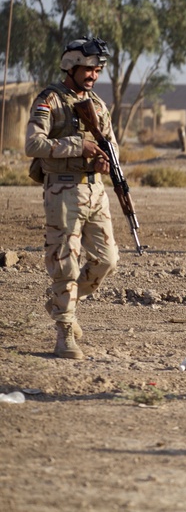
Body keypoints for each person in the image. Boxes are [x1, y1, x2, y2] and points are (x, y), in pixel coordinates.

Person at [24, 37, 120, 359]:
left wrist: (105, 161)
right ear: (71, 66)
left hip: (94, 191)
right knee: (66, 262)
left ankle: (59, 303)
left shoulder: (98, 105)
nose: (93, 75)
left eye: (97, 70)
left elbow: (111, 144)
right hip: (62, 190)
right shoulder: (49, 100)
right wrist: (78, 146)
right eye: (88, 69)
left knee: (107, 260)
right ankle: (65, 333)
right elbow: (33, 145)